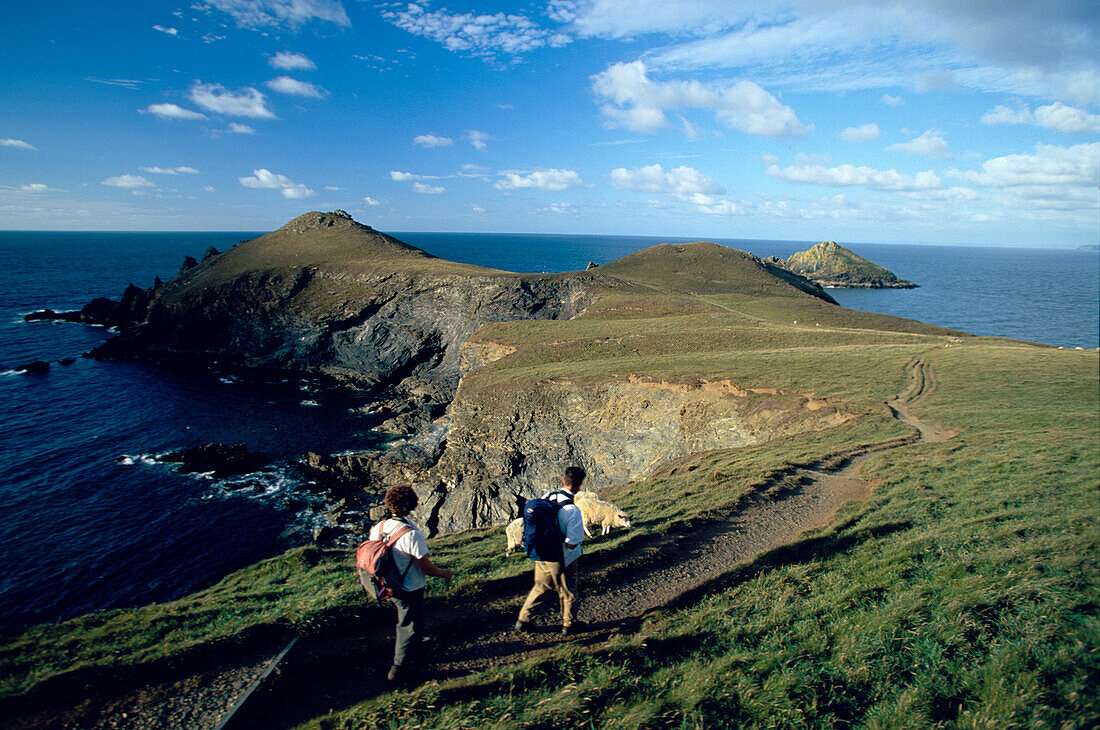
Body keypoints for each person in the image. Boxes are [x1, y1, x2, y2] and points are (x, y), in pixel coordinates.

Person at [369, 484, 453, 686]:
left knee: (408, 620)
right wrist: (445, 574)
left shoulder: (378, 528)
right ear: (412, 505)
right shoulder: (411, 534)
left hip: (386, 585)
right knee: (409, 625)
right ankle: (398, 669)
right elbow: (426, 567)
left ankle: (414, 646)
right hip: (409, 588)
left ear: (389, 504)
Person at [514, 466, 587, 636]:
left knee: (540, 587)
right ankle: (569, 624)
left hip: (542, 554)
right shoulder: (572, 510)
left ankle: (523, 620)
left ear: (563, 480)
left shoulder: (547, 497)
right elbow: (571, 544)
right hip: (561, 558)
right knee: (568, 591)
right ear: (579, 486)